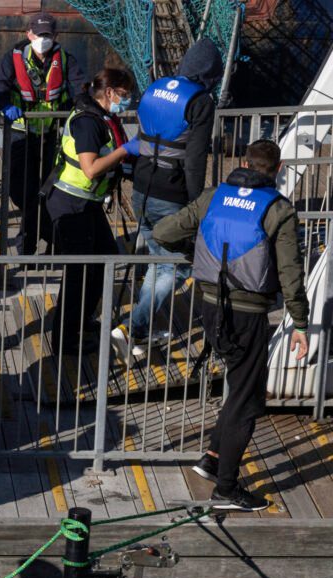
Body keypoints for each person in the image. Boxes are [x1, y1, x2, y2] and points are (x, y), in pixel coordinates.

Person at [153, 140, 309, 512]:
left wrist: (195, 253)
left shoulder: (213, 197)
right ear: (279, 168)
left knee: (240, 388)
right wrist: (300, 323)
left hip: (209, 307)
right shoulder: (279, 209)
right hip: (248, 313)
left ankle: (212, 458)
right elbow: (290, 272)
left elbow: (162, 232)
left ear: (244, 163)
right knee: (247, 400)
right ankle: (226, 488)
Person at [111, 38, 223, 361]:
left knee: (157, 262)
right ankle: (130, 328)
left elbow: (142, 138)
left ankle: (138, 333)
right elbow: (195, 159)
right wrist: (195, 205)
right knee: (178, 268)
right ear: (210, 74)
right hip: (172, 195)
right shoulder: (201, 102)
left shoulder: (155, 89)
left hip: (142, 189)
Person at [42, 68, 138, 355]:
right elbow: (91, 168)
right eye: (124, 95)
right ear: (109, 93)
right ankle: (65, 340)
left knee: (104, 258)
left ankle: (83, 320)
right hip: (70, 204)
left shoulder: (103, 116)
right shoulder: (87, 121)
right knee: (78, 273)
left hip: (88, 203)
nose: (127, 101)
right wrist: (125, 151)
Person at [0, 12, 86, 255]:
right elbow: (0, 87)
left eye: (48, 35)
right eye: (38, 34)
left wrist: (80, 111)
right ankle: (48, 234)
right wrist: (5, 106)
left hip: (51, 133)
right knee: (19, 190)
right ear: (29, 34)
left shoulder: (65, 59)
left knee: (47, 189)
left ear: (56, 36)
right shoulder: (13, 58)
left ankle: (29, 246)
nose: (43, 39)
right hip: (20, 133)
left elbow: (79, 90)